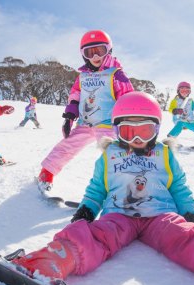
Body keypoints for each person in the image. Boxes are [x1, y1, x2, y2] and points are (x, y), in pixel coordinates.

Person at [10, 91, 194, 285]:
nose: (137, 139)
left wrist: (190, 212)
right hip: (118, 216)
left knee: (189, 237)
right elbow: (97, 188)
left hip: (161, 216)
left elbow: (178, 185)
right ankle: (52, 259)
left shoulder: (165, 154)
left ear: (156, 130)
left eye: (144, 131)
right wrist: (87, 209)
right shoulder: (109, 156)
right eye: (128, 131)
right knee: (94, 235)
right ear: (117, 131)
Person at [36, 30, 134, 191]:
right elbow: (75, 96)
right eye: (89, 53)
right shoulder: (82, 76)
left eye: (99, 51)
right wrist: (69, 116)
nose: (95, 56)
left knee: (115, 153)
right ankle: (46, 173)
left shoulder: (116, 75)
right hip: (85, 123)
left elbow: (127, 98)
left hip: (108, 124)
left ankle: (122, 185)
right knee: (66, 146)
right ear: (84, 55)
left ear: (108, 50)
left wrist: (127, 122)